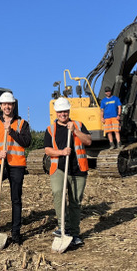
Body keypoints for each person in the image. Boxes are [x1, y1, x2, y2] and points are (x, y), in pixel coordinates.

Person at [0, 92, 31, 245]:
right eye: (4, 104)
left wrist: (11, 132)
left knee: (15, 198)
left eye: (9, 104)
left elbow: (26, 142)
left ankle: (16, 232)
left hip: (16, 164)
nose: (7, 107)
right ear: (1, 106)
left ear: (13, 106)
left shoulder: (22, 123)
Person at [44, 97, 92, 247]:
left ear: (68, 111)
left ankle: (75, 233)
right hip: (58, 168)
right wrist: (61, 152)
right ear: (56, 113)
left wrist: (75, 131)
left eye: (65, 111)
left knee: (75, 202)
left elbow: (88, 141)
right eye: (60, 112)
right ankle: (62, 227)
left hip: (78, 169)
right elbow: (47, 149)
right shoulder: (50, 129)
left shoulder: (78, 125)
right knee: (58, 193)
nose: (63, 114)